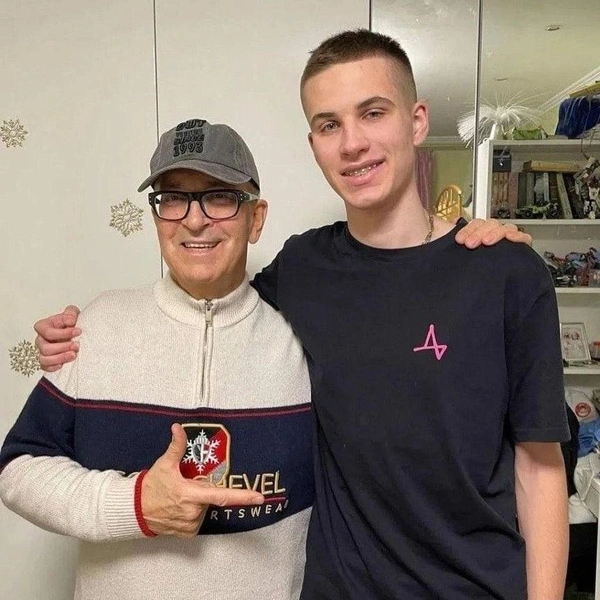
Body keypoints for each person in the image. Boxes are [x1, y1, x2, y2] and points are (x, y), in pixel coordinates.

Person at [29, 31, 551, 600]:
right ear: (313, 143)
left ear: (417, 121)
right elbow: (214, 302)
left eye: (373, 113)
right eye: (329, 124)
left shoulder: (505, 271)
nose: (352, 143)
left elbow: (540, 470)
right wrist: (75, 335)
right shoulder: (303, 267)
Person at [0, 118, 314, 600]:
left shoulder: (304, 342)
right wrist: (136, 504)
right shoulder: (97, 326)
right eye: (172, 198)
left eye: (219, 197)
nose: (194, 220)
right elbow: (18, 468)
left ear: (256, 219)